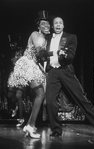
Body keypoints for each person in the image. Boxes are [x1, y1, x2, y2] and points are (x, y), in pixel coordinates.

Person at [45, 16, 94, 138]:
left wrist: (63, 55)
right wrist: (53, 53)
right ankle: (56, 130)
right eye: (56, 23)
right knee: (50, 102)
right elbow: (43, 54)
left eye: (61, 23)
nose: (58, 25)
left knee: (81, 99)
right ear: (52, 26)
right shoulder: (48, 38)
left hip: (65, 70)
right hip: (52, 72)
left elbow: (71, 56)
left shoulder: (71, 37)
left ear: (64, 25)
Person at [8, 10, 50, 139]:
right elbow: (40, 54)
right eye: (43, 24)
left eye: (48, 24)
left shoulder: (45, 39)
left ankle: (30, 125)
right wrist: (56, 52)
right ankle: (29, 125)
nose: (46, 26)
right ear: (38, 26)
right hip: (27, 65)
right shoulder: (35, 35)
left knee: (40, 94)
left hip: (34, 66)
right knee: (40, 94)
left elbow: (41, 58)